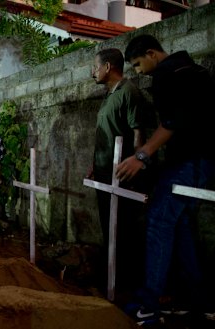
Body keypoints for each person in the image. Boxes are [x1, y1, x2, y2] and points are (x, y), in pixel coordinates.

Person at [115, 34, 215, 325]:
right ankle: (200, 301)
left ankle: (148, 306)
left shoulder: (166, 74)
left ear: (151, 54)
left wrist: (142, 156)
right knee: (180, 226)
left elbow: (172, 122)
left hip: (188, 161)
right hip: (203, 161)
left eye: (137, 64)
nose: (138, 71)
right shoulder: (195, 71)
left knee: (158, 222)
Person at [89, 48, 155, 294]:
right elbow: (104, 134)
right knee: (110, 230)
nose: (93, 72)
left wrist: (137, 168)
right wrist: (95, 165)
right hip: (105, 174)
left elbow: (138, 134)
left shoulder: (129, 93)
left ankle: (126, 288)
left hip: (123, 177)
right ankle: (110, 283)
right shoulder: (109, 96)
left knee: (124, 233)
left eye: (96, 66)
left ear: (108, 67)